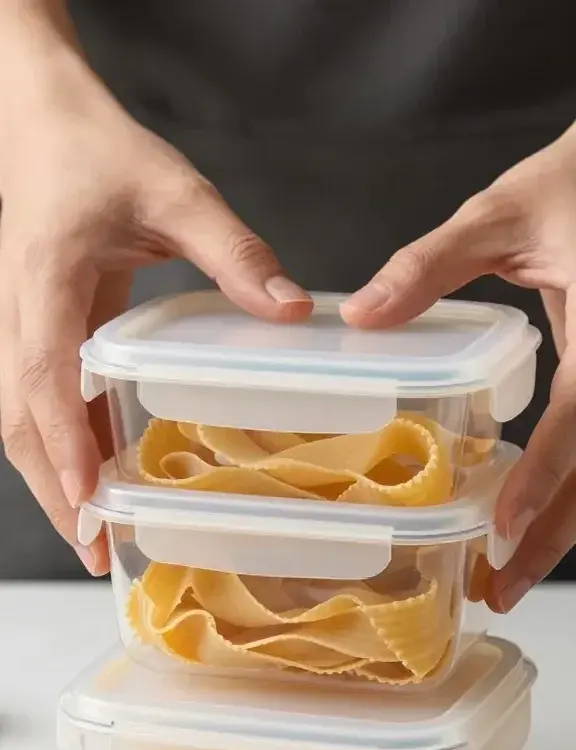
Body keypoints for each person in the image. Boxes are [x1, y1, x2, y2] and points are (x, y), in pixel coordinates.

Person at [0, 0, 574, 612]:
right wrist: (32, 93)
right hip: (111, 205)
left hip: (538, 224)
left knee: (487, 555)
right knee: (119, 566)